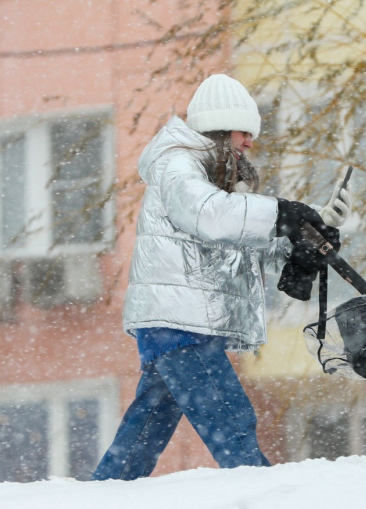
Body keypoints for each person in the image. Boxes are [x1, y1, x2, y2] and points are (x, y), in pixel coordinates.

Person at [92, 74, 351, 480]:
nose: (250, 141)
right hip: (181, 323)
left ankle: (102, 497)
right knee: (230, 421)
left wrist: (310, 230)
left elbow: (238, 245)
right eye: (244, 131)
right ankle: (264, 498)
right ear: (219, 127)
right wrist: (285, 212)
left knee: (146, 429)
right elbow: (212, 215)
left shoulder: (211, 179)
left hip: (178, 322)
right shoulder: (178, 166)